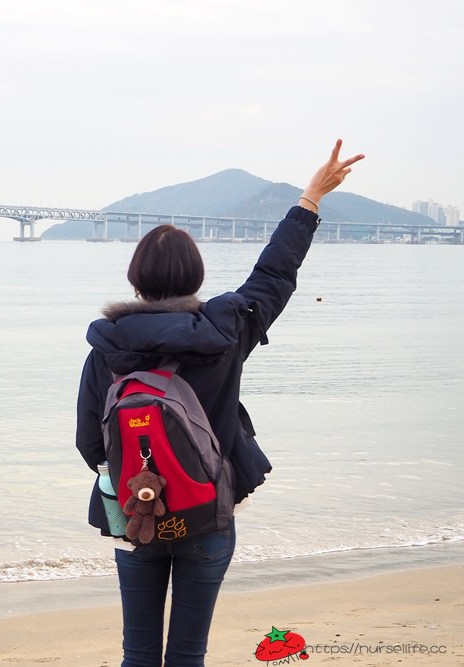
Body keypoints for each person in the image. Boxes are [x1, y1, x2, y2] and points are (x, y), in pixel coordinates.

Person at [75, 140, 365, 667]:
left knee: (138, 654)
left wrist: (141, 481)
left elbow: (90, 443)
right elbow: (274, 276)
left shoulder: (108, 347)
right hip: (207, 514)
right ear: (196, 278)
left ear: (134, 280)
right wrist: (310, 200)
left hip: (134, 515)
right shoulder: (224, 331)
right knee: (188, 655)